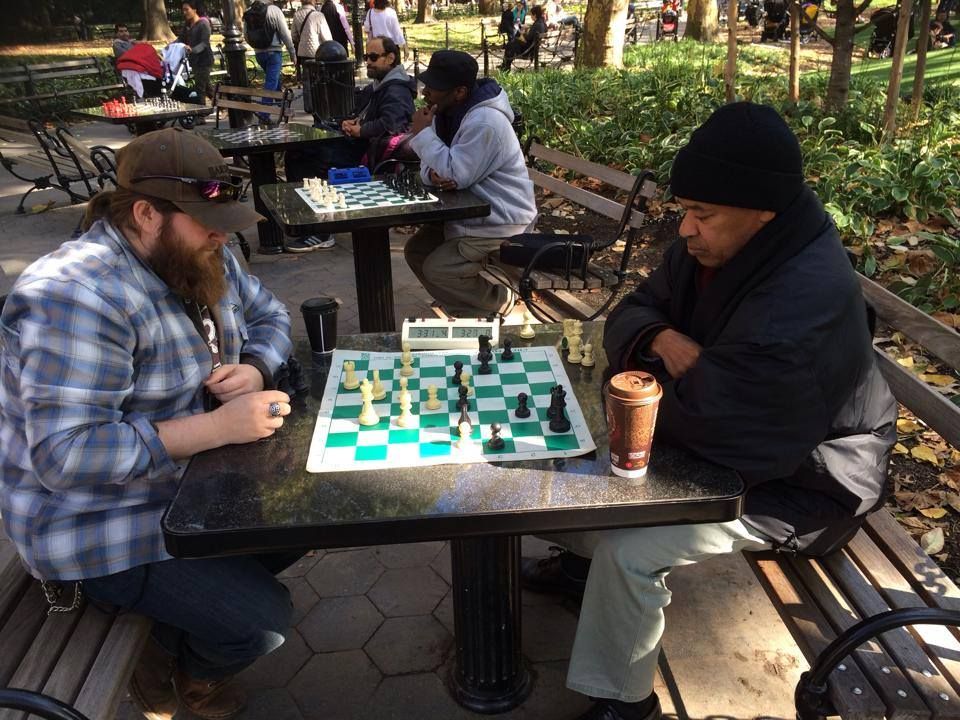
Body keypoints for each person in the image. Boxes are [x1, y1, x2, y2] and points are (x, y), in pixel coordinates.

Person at [520, 102, 898, 720]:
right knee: (569, 455)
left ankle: (624, 701)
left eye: (701, 214)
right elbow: (635, 309)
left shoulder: (798, 306)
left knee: (626, 541)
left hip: (810, 487)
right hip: (740, 444)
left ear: (762, 211)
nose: (685, 230)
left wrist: (631, 388)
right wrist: (663, 341)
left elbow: (719, 433)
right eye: (684, 212)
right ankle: (578, 567)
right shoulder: (719, 244)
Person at [0, 127, 295, 720]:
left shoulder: (204, 248)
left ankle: (185, 621)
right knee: (263, 624)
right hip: (91, 521)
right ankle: (173, 666)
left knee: (308, 517)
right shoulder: (76, 296)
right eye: (207, 219)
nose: (224, 233)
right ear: (144, 213)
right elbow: (65, 458)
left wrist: (258, 367)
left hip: (189, 483)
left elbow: (271, 314)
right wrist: (216, 429)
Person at [403, 50, 536, 318]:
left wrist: (423, 134)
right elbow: (435, 167)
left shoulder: (485, 122)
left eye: (434, 87)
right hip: (472, 216)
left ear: (460, 92)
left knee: (438, 269)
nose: (425, 92)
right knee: (417, 249)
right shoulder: (447, 113)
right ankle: (463, 305)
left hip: (501, 222)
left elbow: (457, 174)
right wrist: (435, 173)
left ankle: (498, 302)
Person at [284, 35, 415, 253]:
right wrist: (354, 121)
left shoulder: (396, 88)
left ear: (390, 58)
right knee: (298, 150)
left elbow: (391, 123)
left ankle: (321, 230)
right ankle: (307, 219)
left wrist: (360, 129)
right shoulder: (381, 84)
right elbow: (369, 115)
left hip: (371, 152)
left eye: (373, 57)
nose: (369, 62)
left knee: (309, 157)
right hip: (361, 144)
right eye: (366, 56)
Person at [243, 0, 297, 94]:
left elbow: (246, 35)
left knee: (273, 79)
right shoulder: (274, 10)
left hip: (259, 53)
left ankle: (280, 104)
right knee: (271, 83)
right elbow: (285, 34)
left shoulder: (250, 11)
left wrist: (256, 46)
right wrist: (292, 53)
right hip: (274, 52)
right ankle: (265, 107)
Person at [292, 0, 333, 113]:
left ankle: (308, 106)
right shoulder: (318, 15)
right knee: (319, 80)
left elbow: (294, 35)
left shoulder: (297, 15)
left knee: (307, 80)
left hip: (303, 53)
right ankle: (320, 105)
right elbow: (327, 37)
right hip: (317, 52)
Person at [180, 1, 215, 107]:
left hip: (204, 60)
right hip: (195, 61)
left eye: (187, 9)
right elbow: (180, 38)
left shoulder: (203, 23)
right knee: (207, 87)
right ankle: (222, 107)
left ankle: (201, 115)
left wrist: (193, 50)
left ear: (194, 10)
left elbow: (204, 43)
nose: (184, 12)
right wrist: (169, 47)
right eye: (183, 10)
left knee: (200, 88)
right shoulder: (188, 24)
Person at [501, 4, 546, 70]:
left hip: (528, 49)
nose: (531, 16)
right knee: (512, 43)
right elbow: (532, 36)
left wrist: (522, 34)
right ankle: (505, 65)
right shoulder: (541, 23)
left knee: (510, 44)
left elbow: (528, 39)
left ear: (535, 15)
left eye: (531, 15)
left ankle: (506, 66)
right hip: (533, 47)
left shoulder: (537, 25)